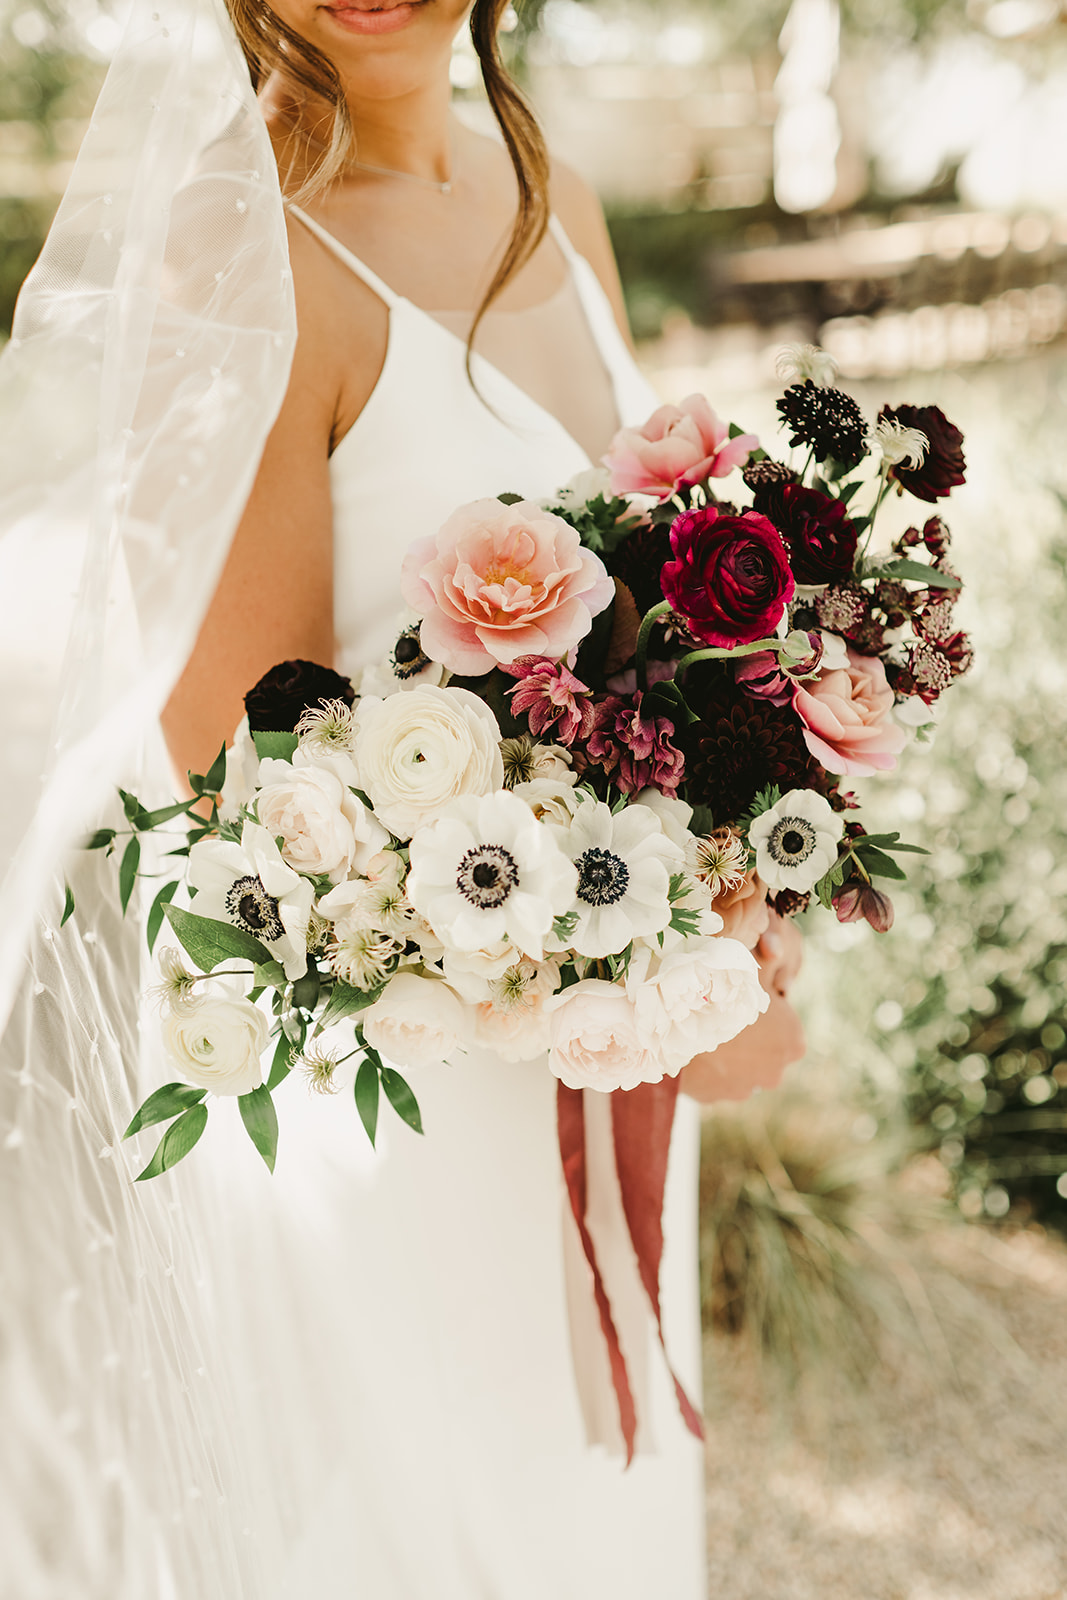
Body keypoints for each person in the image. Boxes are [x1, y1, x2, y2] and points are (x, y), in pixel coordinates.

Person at [0, 1, 803, 1593]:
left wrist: (728, 915)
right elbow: (244, 769)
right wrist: (618, 960)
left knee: (591, 1509)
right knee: (429, 1523)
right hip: (403, 1065)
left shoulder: (545, 189)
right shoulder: (238, 261)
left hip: (599, 1027)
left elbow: (648, 607)